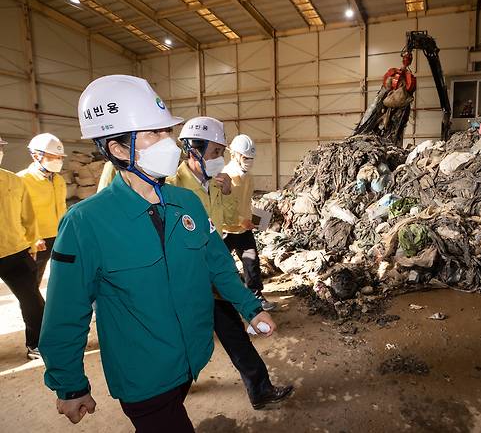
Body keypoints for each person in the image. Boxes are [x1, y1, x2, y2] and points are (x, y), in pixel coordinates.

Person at [39, 75, 276, 432]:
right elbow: (65, 311)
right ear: (118, 149)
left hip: (191, 358)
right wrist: (69, 382)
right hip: (142, 375)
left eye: (167, 132)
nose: (170, 143)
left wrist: (250, 306)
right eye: (154, 134)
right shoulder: (85, 223)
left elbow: (217, 265)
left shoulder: (188, 204)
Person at [169, 116, 293, 410]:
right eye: (215, 153)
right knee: (183, 344)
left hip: (213, 276)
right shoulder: (173, 188)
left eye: (221, 153)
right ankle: (169, 399)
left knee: (235, 335)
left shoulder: (213, 185)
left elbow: (220, 226)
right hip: (184, 284)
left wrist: (224, 194)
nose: (220, 159)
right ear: (193, 151)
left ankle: (260, 390)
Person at [0, 135, 44, 360]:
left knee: (33, 302)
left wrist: (32, 243)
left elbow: (28, 216)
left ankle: (35, 344)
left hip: (15, 251)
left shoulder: (14, 181)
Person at [222, 135, 275, 311]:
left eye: (251, 159)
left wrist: (254, 218)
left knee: (252, 263)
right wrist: (239, 221)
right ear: (234, 155)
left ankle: (255, 296)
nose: (249, 162)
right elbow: (220, 207)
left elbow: (245, 203)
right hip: (225, 230)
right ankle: (222, 301)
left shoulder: (249, 178)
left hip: (244, 229)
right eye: (246, 158)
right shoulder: (225, 177)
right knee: (221, 266)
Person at [17, 133, 68, 287]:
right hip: (38, 240)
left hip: (60, 236)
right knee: (33, 282)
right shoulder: (22, 180)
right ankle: (36, 310)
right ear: (36, 156)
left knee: (64, 276)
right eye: (53, 156)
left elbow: (62, 207)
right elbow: (16, 215)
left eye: (60, 157)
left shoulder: (59, 179)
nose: (58, 161)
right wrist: (33, 238)